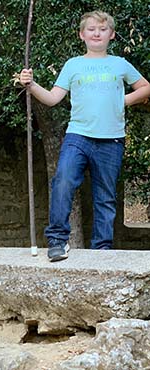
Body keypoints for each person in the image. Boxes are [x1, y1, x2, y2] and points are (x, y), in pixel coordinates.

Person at [19, 10, 150, 262]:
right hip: (78, 136)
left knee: (105, 197)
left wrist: (123, 100)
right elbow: (53, 98)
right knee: (63, 181)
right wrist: (31, 85)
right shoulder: (73, 65)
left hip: (111, 140)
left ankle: (101, 249)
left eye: (102, 29)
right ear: (82, 35)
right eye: (91, 29)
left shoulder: (119, 64)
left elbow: (145, 87)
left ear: (111, 34)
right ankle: (58, 240)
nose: (96, 33)